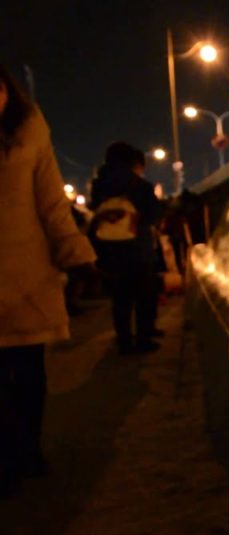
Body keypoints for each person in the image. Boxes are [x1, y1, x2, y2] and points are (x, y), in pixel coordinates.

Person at [0, 64, 97, 498]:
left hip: (26, 272)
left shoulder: (31, 127)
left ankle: (27, 451)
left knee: (28, 373)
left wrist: (76, 254)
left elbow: (52, 200)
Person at [89, 142, 163, 354]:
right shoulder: (140, 185)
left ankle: (124, 341)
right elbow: (153, 215)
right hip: (137, 249)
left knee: (120, 299)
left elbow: (96, 212)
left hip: (109, 249)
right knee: (144, 297)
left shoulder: (98, 185)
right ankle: (143, 339)